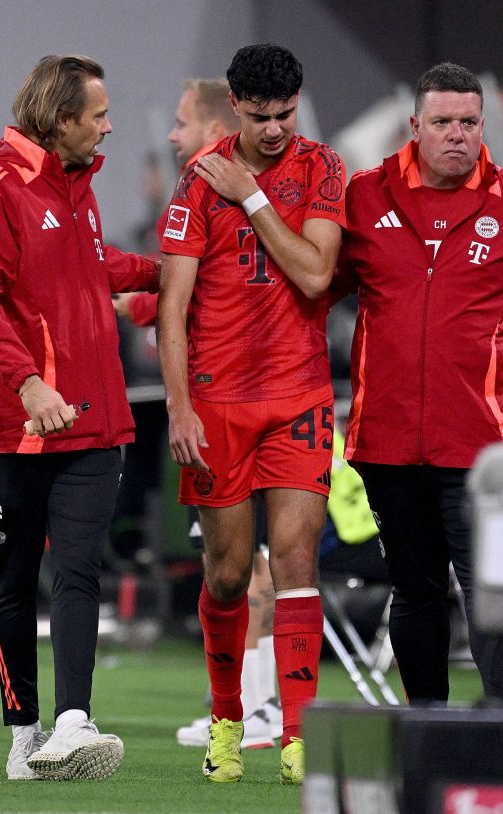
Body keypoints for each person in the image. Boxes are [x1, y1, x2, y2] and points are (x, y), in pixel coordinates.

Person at [336, 62, 503, 708]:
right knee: (417, 591)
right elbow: (316, 291)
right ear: (415, 127)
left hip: (486, 449)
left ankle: (500, 732)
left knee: (492, 590)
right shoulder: (367, 197)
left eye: (468, 122)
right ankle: (428, 731)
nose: (456, 135)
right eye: (442, 123)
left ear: (483, 125)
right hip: (386, 443)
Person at [0, 55, 159, 782]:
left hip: (95, 421)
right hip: (16, 427)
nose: (108, 126)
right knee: (12, 580)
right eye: (98, 115)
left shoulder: (78, 187)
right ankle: (22, 729)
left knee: (79, 570)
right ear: (61, 119)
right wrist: (30, 384)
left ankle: (73, 722)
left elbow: (90, 268)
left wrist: (166, 271)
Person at [158, 43, 346, 785]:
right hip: (218, 403)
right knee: (230, 574)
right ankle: (228, 717)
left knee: (298, 559)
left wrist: (254, 196)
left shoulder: (324, 169)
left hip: (298, 393)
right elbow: (173, 309)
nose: (275, 129)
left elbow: (316, 271)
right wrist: (178, 407)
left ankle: (298, 736)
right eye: (262, 115)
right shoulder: (198, 182)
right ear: (233, 104)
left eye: (287, 115)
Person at [120, 78, 283, 752]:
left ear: (216, 125)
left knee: (259, 567)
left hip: (243, 407)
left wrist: (131, 297)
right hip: (225, 406)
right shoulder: (210, 196)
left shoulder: (227, 196)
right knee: (238, 568)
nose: (172, 133)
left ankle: (264, 707)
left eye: (183, 121)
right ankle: (249, 705)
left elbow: (199, 300)